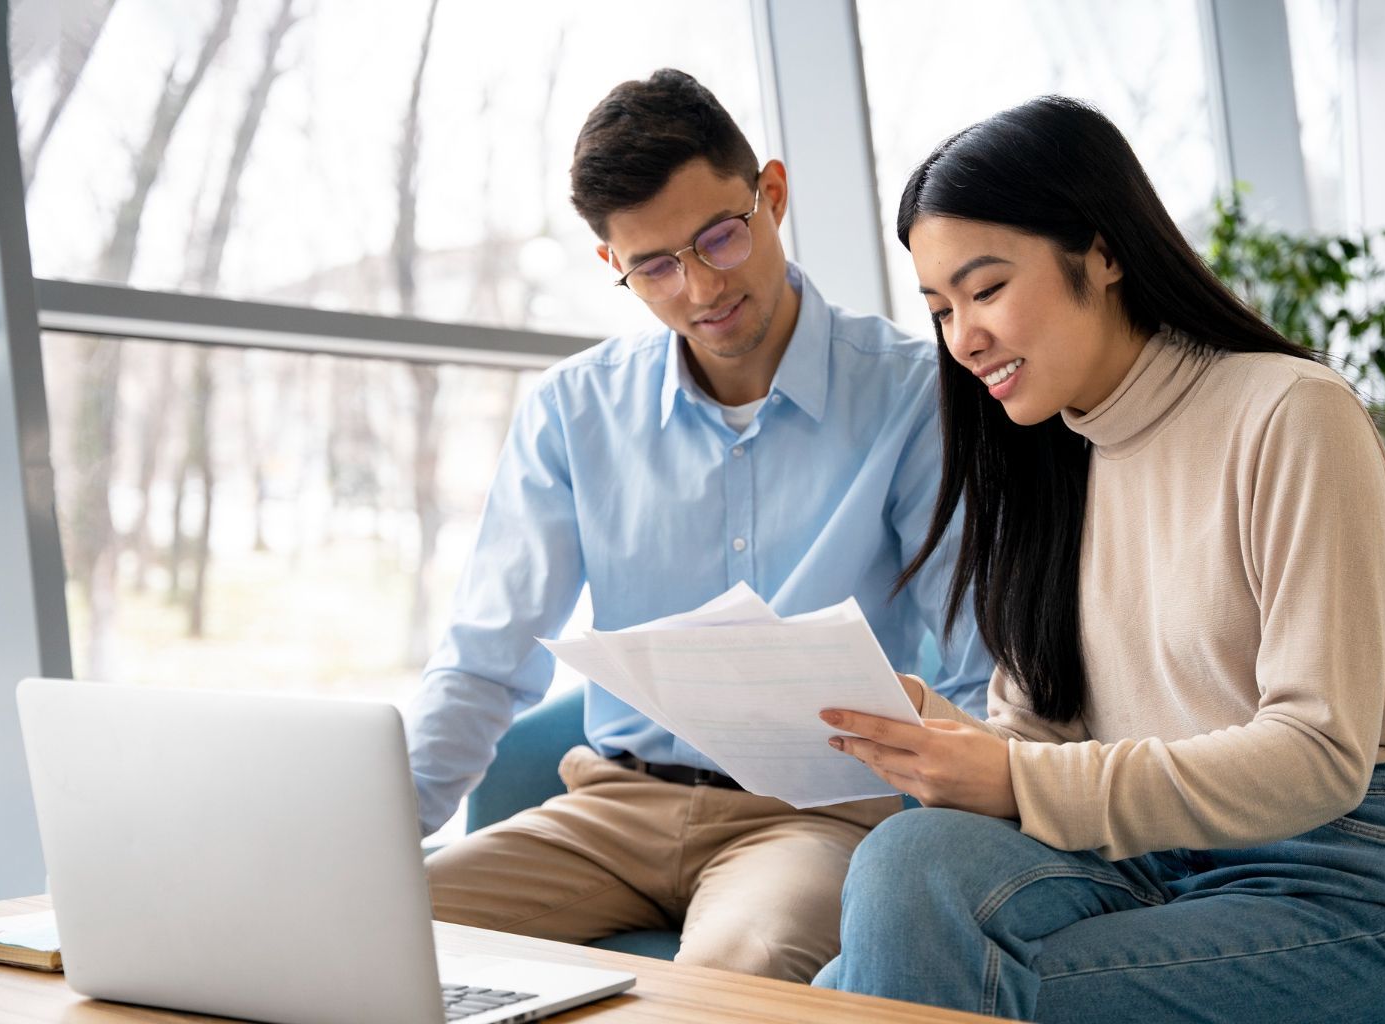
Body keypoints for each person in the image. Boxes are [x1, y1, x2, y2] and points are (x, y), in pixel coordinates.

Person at [812, 96, 1385, 1022]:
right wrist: (947, 742)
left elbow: (1321, 756)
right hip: (1145, 858)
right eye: (940, 308)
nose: (963, 338)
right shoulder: (1043, 459)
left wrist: (1018, 777)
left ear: (1104, 252)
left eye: (986, 290)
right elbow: (1042, 747)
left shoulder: (1290, 415)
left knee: (887, 990)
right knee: (908, 863)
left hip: (1352, 865)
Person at [405, 68, 992, 983]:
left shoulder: (916, 395)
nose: (701, 287)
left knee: (738, 967)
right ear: (616, 267)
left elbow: (975, 670)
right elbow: (485, 661)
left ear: (773, 195)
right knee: (375, 926)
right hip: (613, 808)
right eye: (656, 266)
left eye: (720, 235)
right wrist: (373, 841)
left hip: (814, 817)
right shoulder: (574, 410)